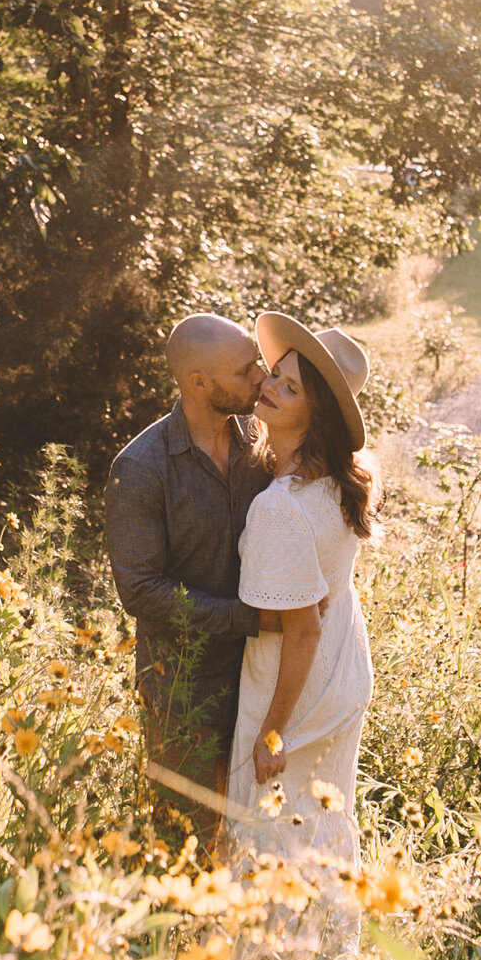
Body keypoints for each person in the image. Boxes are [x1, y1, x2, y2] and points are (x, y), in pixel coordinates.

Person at [227, 313, 375, 922]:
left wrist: (272, 732)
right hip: (343, 667)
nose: (268, 386)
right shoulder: (341, 480)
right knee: (323, 818)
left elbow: (302, 626)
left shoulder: (278, 507)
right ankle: (328, 956)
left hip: (298, 681)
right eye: (276, 374)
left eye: (289, 389)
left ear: (313, 416)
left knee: (265, 821)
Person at [105, 314, 274, 845]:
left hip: (264, 682)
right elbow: (141, 588)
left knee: (258, 840)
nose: (261, 378)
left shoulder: (265, 442)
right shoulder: (142, 468)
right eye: (247, 369)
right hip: (183, 690)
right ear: (199, 382)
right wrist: (247, 619)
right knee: (184, 845)